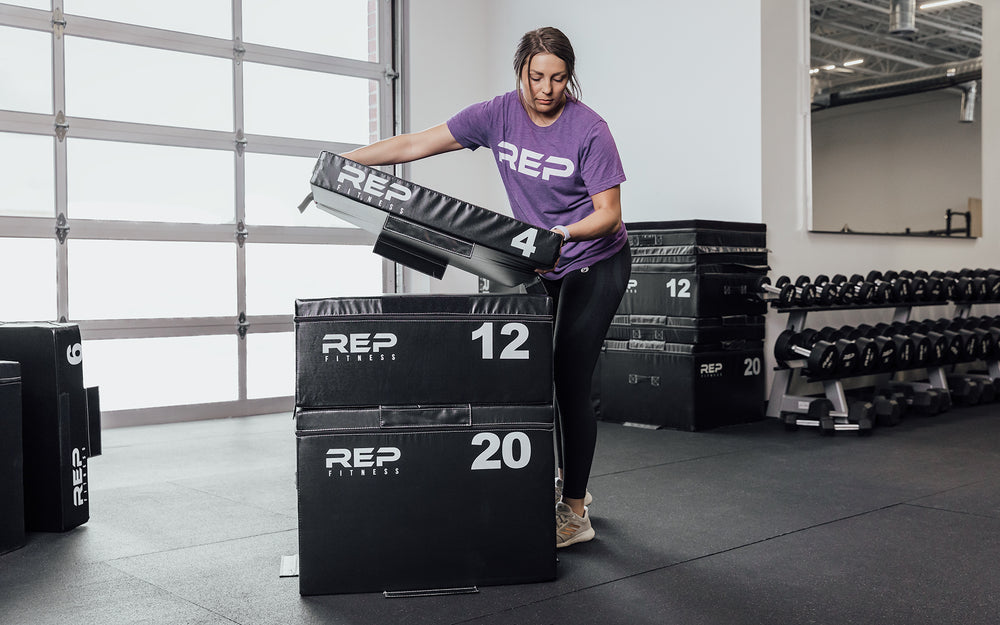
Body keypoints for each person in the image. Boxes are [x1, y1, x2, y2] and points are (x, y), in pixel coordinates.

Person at [343, 26, 630, 548]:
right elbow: (416, 143)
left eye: (558, 78)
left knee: (570, 378)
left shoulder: (590, 130)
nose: (546, 89)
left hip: (596, 259)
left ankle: (574, 510)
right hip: (544, 264)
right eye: (536, 77)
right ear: (519, 70)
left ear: (571, 77)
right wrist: (348, 162)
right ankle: (572, 490)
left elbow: (609, 215)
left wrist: (562, 232)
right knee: (536, 376)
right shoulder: (496, 114)